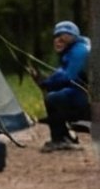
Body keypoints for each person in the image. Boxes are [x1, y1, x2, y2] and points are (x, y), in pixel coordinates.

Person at [36, 20, 90, 152]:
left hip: (88, 100)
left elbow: (68, 77)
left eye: (63, 36)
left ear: (73, 37)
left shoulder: (79, 51)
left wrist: (46, 83)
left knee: (54, 98)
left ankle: (60, 139)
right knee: (53, 97)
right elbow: (62, 73)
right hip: (84, 94)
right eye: (56, 36)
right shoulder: (73, 50)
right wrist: (46, 80)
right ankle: (63, 137)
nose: (58, 40)